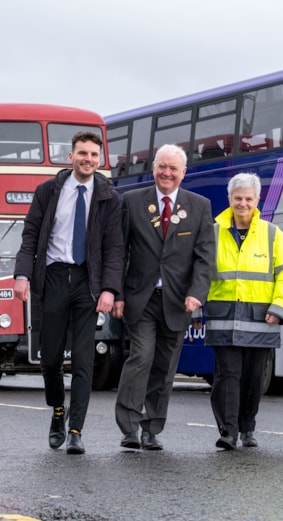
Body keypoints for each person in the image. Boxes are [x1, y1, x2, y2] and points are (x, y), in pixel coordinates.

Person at [13, 131, 123, 453]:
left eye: (93, 155)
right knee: (49, 359)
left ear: (99, 160)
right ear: (71, 156)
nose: (88, 159)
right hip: (54, 278)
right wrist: (22, 274)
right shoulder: (48, 191)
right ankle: (57, 411)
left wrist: (109, 289)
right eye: (82, 153)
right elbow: (31, 234)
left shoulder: (109, 197)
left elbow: (115, 248)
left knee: (84, 360)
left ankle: (76, 430)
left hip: (88, 281)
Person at [112, 144, 215, 451]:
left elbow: (205, 257)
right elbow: (119, 252)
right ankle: (129, 427)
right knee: (141, 357)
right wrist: (116, 293)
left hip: (178, 300)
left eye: (173, 168)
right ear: (153, 168)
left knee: (165, 365)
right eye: (162, 166)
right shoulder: (131, 201)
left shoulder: (199, 206)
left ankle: (152, 428)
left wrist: (198, 293)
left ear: (183, 173)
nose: (167, 173)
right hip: (140, 298)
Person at [206, 173, 283, 450]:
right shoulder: (213, 232)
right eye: (238, 198)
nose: (243, 203)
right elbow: (201, 271)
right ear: (229, 199)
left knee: (253, 379)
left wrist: (280, 307)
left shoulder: (273, 234)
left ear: (257, 200)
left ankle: (248, 428)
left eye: (248, 198)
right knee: (227, 377)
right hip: (223, 318)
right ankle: (228, 431)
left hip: (262, 320)